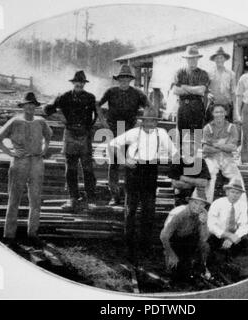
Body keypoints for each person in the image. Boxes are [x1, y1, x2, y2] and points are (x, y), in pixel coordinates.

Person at [108, 107, 178, 261]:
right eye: (147, 121)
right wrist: (123, 160)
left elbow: (174, 153)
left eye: (152, 120)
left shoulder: (162, 133)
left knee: (149, 210)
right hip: (134, 171)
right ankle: (129, 247)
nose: (149, 123)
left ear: (156, 122)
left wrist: (174, 167)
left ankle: (145, 247)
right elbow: (113, 144)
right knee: (131, 210)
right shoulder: (134, 133)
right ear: (142, 121)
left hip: (150, 171)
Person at [0, 92, 52, 244]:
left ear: (36, 106)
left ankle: (32, 234)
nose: (30, 107)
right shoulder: (15, 122)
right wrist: (10, 152)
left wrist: (44, 150)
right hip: (19, 163)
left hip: (37, 163)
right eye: (27, 104)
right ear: (23, 106)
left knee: (35, 199)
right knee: (14, 198)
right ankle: (9, 235)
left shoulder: (41, 121)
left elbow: (49, 136)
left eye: (33, 104)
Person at [43, 70, 97, 211]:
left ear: (84, 84)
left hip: (84, 134)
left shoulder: (90, 97)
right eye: (77, 82)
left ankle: (90, 198)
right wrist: (59, 115)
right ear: (73, 83)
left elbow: (95, 115)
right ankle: (73, 198)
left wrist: (88, 128)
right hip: (70, 133)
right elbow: (47, 109)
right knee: (71, 168)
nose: (79, 84)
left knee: (88, 168)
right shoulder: (64, 97)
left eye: (82, 82)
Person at [97, 64, 150, 205]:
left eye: (126, 79)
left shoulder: (137, 93)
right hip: (113, 129)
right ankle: (114, 195)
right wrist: (103, 121)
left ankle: (129, 196)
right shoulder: (111, 92)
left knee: (130, 162)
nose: (124, 81)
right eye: (122, 79)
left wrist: (141, 121)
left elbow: (149, 106)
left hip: (130, 130)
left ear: (130, 80)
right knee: (113, 163)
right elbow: (97, 104)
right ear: (118, 79)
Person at [202, 105, 248, 205]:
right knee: (209, 176)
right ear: (212, 114)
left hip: (227, 158)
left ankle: (242, 209)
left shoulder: (232, 127)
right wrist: (224, 146)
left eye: (221, 112)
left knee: (237, 179)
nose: (219, 114)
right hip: (211, 157)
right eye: (216, 112)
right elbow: (205, 149)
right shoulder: (207, 127)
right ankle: (205, 206)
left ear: (225, 113)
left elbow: (233, 147)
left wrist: (216, 144)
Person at [160, 196, 211, 282]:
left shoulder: (203, 213)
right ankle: (169, 260)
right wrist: (171, 255)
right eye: (195, 202)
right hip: (174, 241)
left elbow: (204, 238)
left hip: (189, 241)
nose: (198, 207)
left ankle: (203, 266)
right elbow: (164, 236)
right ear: (189, 202)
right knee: (175, 272)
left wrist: (204, 223)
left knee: (205, 246)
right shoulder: (178, 213)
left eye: (202, 204)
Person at [172, 45, 209, 142]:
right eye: (189, 58)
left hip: (197, 106)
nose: (192, 60)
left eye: (194, 58)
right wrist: (194, 89)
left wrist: (184, 87)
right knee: (180, 133)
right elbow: (175, 90)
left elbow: (201, 91)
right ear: (186, 59)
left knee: (196, 134)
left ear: (198, 58)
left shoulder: (203, 73)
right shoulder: (180, 72)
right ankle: (179, 156)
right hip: (183, 106)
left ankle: (195, 156)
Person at [207, 180, 248, 258]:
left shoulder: (243, 205)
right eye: (232, 192)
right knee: (215, 255)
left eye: (238, 193)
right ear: (227, 192)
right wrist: (228, 235)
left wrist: (232, 238)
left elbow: (244, 226)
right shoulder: (217, 203)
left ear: (240, 195)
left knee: (244, 242)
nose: (235, 195)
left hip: (234, 236)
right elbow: (211, 225)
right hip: (218, 234)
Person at [168, 135, 210, 207]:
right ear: (183, 146)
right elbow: (175, 183)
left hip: (198, 200)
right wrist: (196, 184)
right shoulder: (177, 161)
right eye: (187, 144)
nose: (190, 146)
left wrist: (184, 178)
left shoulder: (201, 162)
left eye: (193, 143)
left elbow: (204, 183)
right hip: (182, 199)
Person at [206, 47, 236, 123]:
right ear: (214, 60)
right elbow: (205, 89)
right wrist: (207, 94)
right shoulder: (209, 73)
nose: (219, 60)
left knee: (226, 131)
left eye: (221, 58)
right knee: (211, 130)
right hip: (213, 106)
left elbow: (233, 93)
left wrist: (235, 110)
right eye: (217, 58)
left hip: (226, 107)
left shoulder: (231, 74)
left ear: (225, 59)